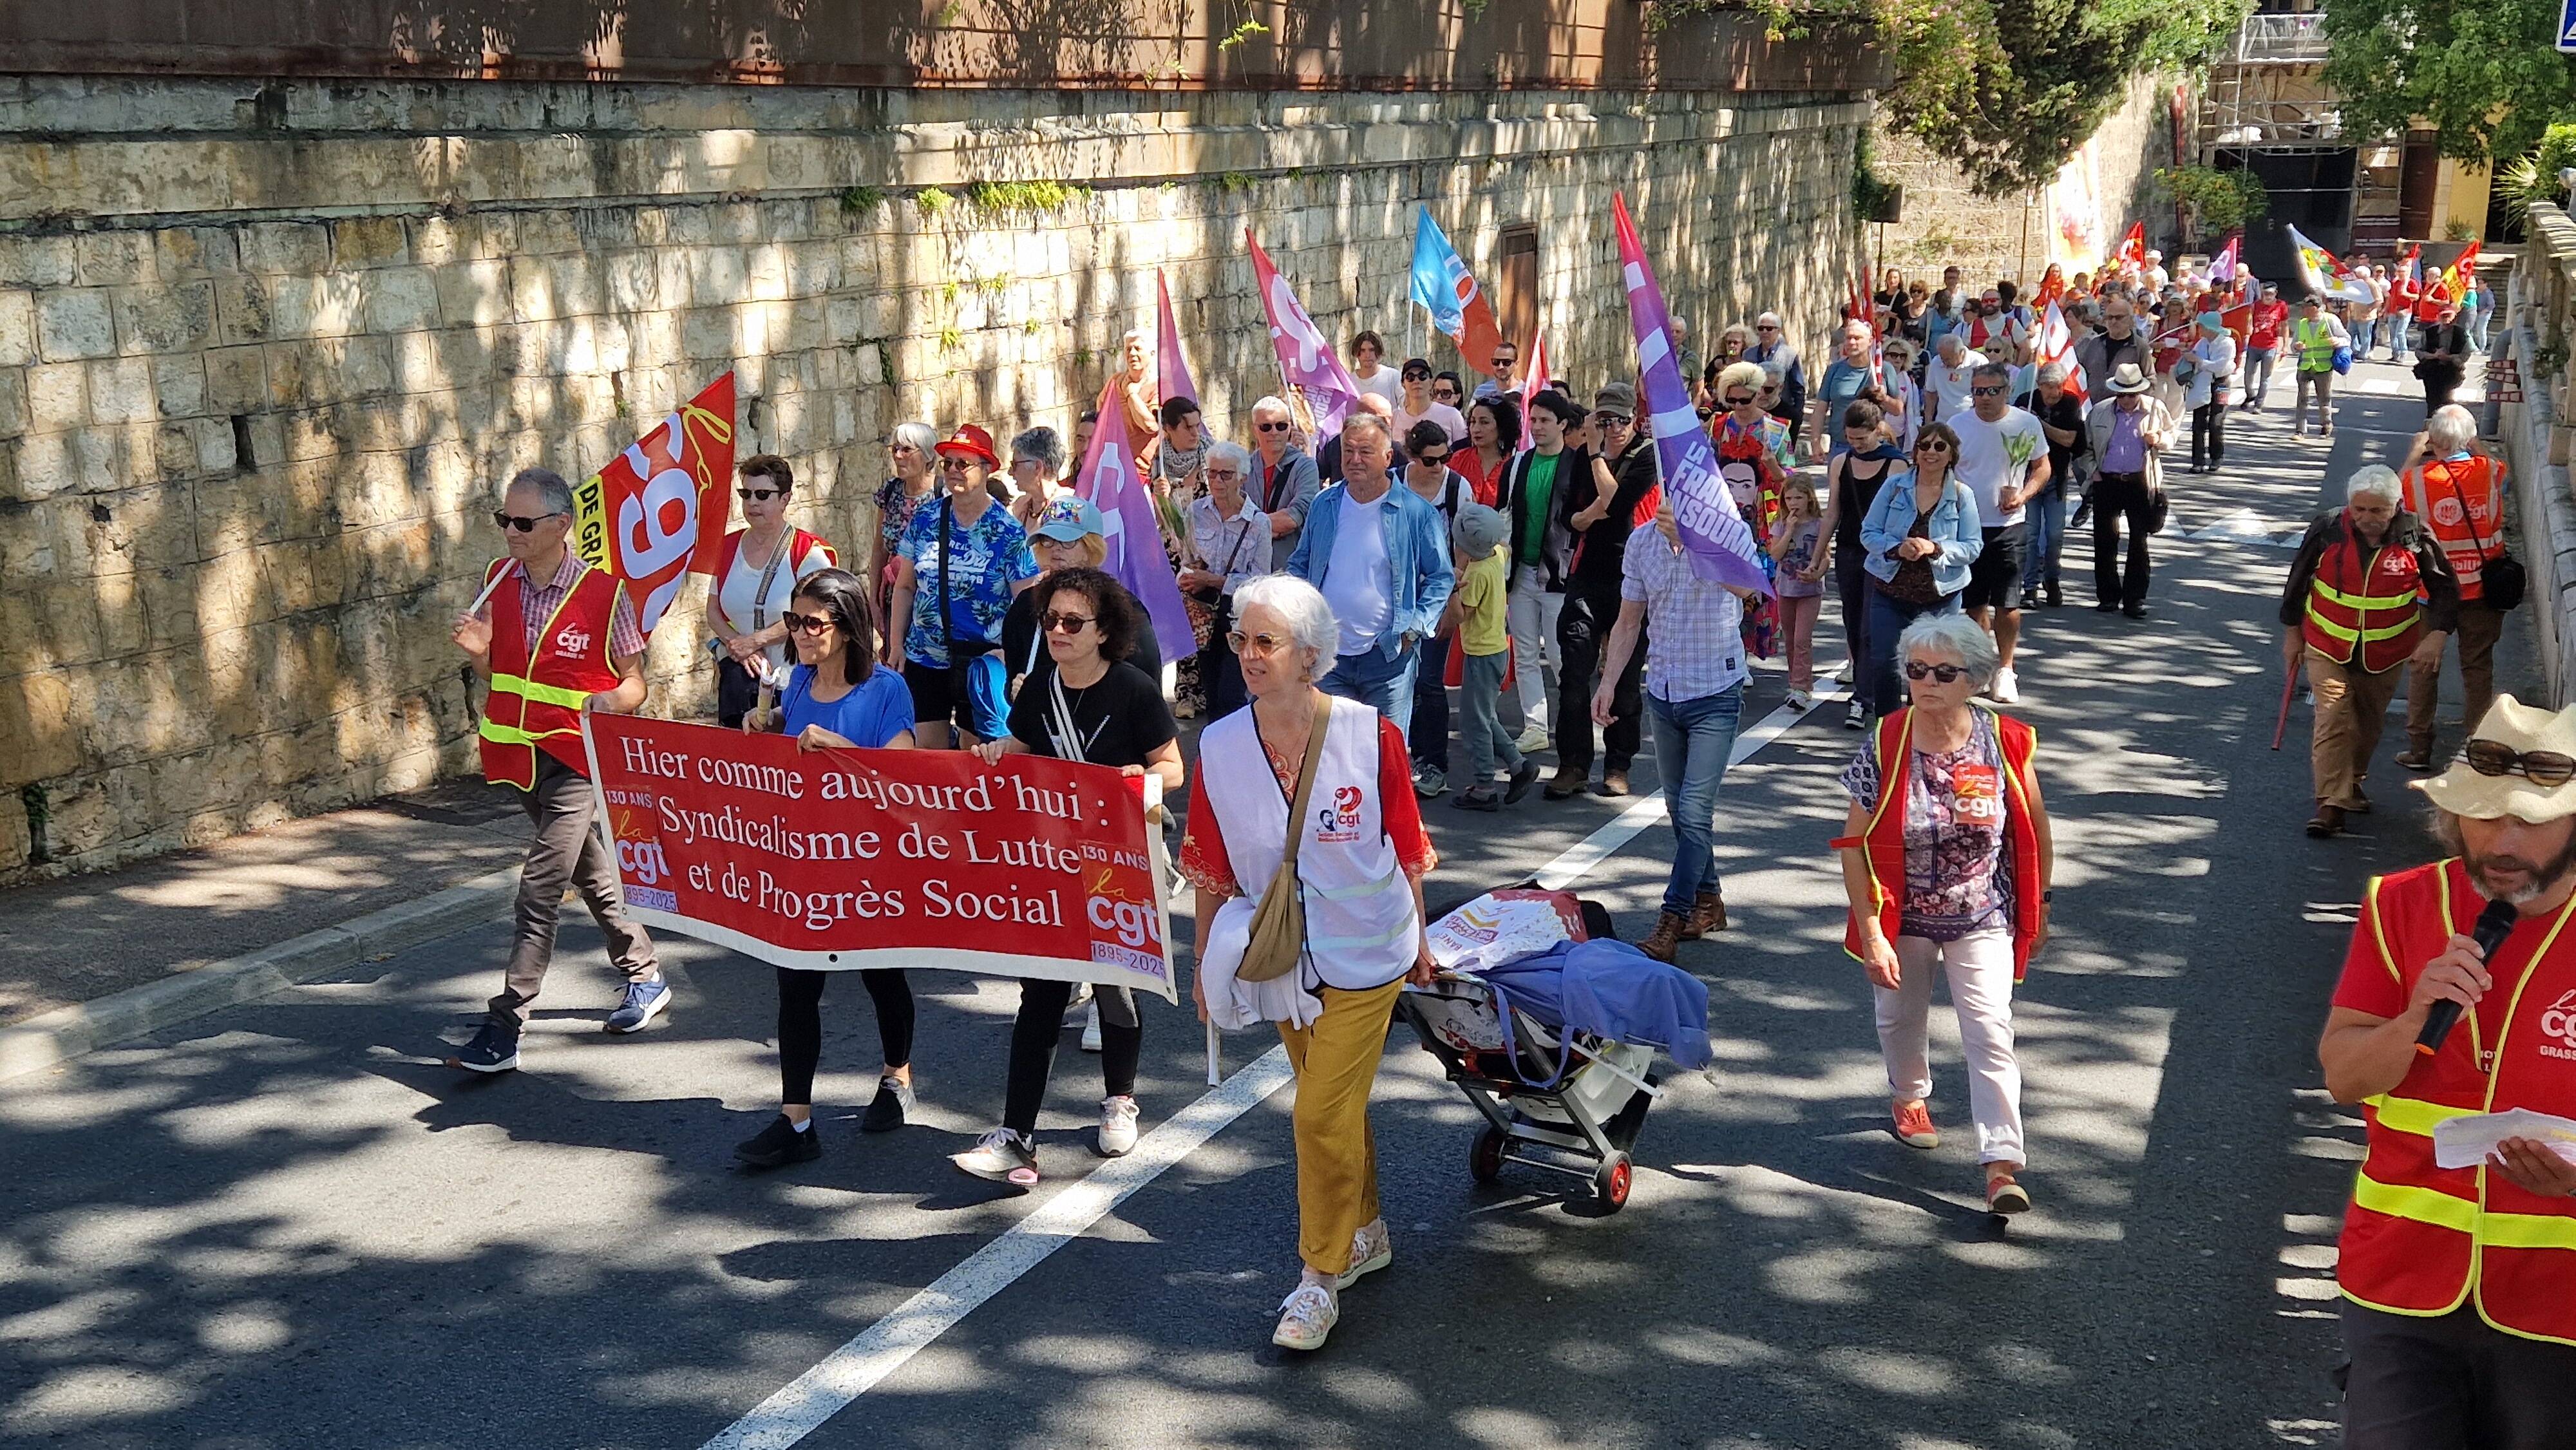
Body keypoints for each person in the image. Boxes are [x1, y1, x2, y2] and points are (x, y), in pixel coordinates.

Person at [1177, 574, 1437, 1352]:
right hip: (1281, 953)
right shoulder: (1219, 744)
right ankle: (1366, 1230)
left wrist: (1420, 939)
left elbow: (1407, 845)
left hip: (1368, 948)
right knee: (1336, 1108)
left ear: (1310, 656)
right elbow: (1210, 865)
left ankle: (1316, 1281)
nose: (1249, 655)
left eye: (1267, 641)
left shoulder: (1368, 733)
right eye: (1241, 640)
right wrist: (1201, 963)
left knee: (1318, 1112)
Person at [2318, 694, 2576, 1448]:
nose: (2500, 839)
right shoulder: (2400, 903)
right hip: (2398, 1280)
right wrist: (2413, 1016)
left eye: (2529, 819)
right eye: (2482, 814)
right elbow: (2343, 1076)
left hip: (2556, 1300)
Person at [953, 567, 1185, 1184]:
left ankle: (1120, 1098)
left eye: (1072, 622)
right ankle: (1017, 1134)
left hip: (1116, 862)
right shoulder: (1040, 689)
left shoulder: (1135, 690)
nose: (1056, 630)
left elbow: (1174, 768)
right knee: (1043, 993)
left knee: (1114, 984)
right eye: (1050, 620)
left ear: (1103, 630)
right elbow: (1031, 746)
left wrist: (1137, 781)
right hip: (1052, 862)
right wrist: (1003, 752)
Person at [443, 467, 663, 1073]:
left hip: (578, 759)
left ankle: (507, 1019)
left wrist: (613, 702)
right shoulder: (497, 582)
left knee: (540, 885)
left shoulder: (605, 593)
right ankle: (644, 973)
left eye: (522, 522)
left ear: (561, 525)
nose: (509, 532)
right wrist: (479, 655)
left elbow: (635, 681)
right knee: (590, 870)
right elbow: (497, 676)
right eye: (503, 521)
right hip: (518, 753)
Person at [1836, 614, 2054, 1216]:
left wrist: (2043, 904)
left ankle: (2002, 1164)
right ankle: (1908, 1096)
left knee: (1990, 1032)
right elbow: (1852, 844)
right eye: (1916, 670)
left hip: (1982, 912)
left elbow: (2034, 829)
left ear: (1976, 679)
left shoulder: (2005, 740)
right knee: (1899, 1019)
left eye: (1944, 672)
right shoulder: (1886, 739)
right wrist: (1874, 932)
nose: (1926, 682)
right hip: (1902, 913)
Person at [732, 568, 923, 1169]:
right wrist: (762, 732)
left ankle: (897, 1076)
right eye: (793, 621)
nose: (799, 633)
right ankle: (796, 1120)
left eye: (811, 622)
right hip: (807, 862)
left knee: (882, 978)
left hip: (869, 864)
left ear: (845, 627)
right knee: (796, 985)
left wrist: (836, 747)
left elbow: (904, 776)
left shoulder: (888, 690)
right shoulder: (796, 686)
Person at [1599, 494, 1755, 959]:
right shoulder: (1641, 542)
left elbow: (1747, 589)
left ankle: (1673, 917)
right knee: (1678, 809)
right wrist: (1607, 683)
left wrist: (1695, 541)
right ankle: (1709, 899)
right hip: (1665, 691)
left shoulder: (1726, 534)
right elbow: (1629, 621)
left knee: (1693, 811)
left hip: (1717, 691)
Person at [2280, 466, 2459, 838]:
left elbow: (2444, 590)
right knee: (2332, 717)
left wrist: (2437, 635)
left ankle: (2352, 781)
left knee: (2368, 722)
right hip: (2327, 643)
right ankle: (2330, 804)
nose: (2366, 519)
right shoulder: (2328, 529)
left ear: (2396, 506)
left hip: (2387, 650)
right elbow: (2297, 581)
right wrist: (2293, 634)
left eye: (2377, 511)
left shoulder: (2416, 537)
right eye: (2359, 510)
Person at [1286, 413, 1456, 734]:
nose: (1354, 460)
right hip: (1329, 655)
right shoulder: (1325, 503)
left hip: (1388, 657)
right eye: (1348, 451)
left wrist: (1415, 628)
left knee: (1384, 755)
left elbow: (1441, 577)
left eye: (1365, 451)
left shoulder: (1415, 512)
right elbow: (1301, 563)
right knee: (1331, 749)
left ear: (1387, 457)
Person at [886, 424, 1040, 748]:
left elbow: (1027, 604)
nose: (953, 471)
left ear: (985, 471)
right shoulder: (926, 518)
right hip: (925, 656)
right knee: (927, 755)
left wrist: (1012, 657)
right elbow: (904, 587)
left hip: (981, 660)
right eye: (948, 463)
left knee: (979, 753)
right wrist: (896, 644)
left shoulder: (1006, 531)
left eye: (963, 464)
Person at [1551, 383, 1660, 799]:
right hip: (1586, 574)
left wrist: (1597, 458)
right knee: (1574, 671)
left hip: (1631, 578)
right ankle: (1573, 764)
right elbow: (1568, 516)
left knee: (1625, 679)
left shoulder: (1646, 454)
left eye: (1620, 420)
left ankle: (1618, 765)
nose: (1613, 428)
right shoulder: (1581, 456)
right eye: (1604, 420)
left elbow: (1618, 505)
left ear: (1634, 419)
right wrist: (1590, 512)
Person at [2397, 408, 2511, 772]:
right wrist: (2470, 442)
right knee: (2477, 668)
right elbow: (2492, 465)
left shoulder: (2419, 479)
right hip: (2483, 589)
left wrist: (2417, 451)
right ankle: (2477, 749)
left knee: (2424, 666)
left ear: (2434, 441)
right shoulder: (2489, 471)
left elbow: (2392, 496)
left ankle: (2419, 748)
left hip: (2434, 590)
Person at [704, 454, 838, 729]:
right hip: (740, 680)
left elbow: (817, 615)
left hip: (795, 681)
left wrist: (755, 641)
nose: (752, 502)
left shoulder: (808, 553)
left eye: (763, 494)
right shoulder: (727, 548)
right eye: (746, 493)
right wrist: (737, 645)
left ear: (785, 499)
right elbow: (713, 610)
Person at [1858, 424, 1983, 717]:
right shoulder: (1894, 487)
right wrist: (1896, 548)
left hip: (1941, 598)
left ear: (1952, 454)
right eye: (1924, 446)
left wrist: (1936, 548)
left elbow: (1973, 547)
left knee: (1933, 670)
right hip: (1890, 592)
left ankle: (1922, 728)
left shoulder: (1963, 495)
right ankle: (1888, 731)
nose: (1931, 452)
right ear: (1915, 451)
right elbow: (1868, 533)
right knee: (1885, 664)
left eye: (1940, 447)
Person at [1946, 362, 2047, 704]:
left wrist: (2023, 495)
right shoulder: (1957, 426)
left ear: (2006, 391)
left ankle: (2006, 668)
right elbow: (1941, 468)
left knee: (2009, 603)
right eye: (1978, 391)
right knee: (1974, 603)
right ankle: (1985, 662)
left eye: (1992, 391)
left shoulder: (2026, 422)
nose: (1984, 398)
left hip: (2009, 526)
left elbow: (2042, 467)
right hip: (1966, 528)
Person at [1001, 494, 1162, 704]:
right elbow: (1015, 676)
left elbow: (1147, 688)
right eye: (1048, 539)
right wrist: (1018, 695)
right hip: (1040, 733)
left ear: (1091, 547)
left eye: (1068, 540)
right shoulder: (1026, 606)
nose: (1056, 548)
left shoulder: (1121, 608)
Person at [1496, 390, 1587, 753]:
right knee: (1526, 654)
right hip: (1520, 572)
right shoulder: (1518, 463)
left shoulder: (1577, 464)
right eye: (1533, 420)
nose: (1537, 427)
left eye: (1545, 420)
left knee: (1562, 655)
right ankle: (1535, 726)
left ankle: (1570, 720)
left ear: (1563, 425)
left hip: (1559, 574)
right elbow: (1505, 511)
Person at [1817, 400, 1907, 730]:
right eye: (1852, 439)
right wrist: (1818, 555)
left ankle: (1863, 698)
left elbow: (1899, 516)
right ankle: (1863, 685)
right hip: (1850, 551)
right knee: (1853, 623)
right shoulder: (1842, 461)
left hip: (1881, 554)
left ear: (1877, 430)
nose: (1857, 445)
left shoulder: (1896, 465)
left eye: (1863, 439)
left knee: (1872, 628)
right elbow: (1833, 512)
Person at [1445, 503, 1540, 811]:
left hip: (1481, 655)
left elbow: (1462, 616)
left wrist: (1453, 590)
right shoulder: (1496, 557)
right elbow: (1505, 547)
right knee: (1485, 715)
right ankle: (1518, 764)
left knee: (1474, 722)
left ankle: (1485, 784)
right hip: (1496, 649)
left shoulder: (1475, 574)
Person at [1401, 419, 1475, 795]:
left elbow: (1463, 543)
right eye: (1431, 461)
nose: (1440, 466)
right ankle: (1404, 757)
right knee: (1400, 680)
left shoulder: (1458, 487)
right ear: (1413, 457)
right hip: (1398, 595)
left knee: (1430, 680)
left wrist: (1452, 596)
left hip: (1436, 594)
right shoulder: (1396, 482)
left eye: (1445, 457)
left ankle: (1435, 764)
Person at [1182, 440, 1273, 721]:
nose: (1217, 481)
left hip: (1240, 616)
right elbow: (1186, 560)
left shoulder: (1258, 522)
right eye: (1212, 473)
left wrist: (1215, 580)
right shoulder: (1195, 512)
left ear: (1242, 478)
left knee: (1232, 695)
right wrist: (1191, 577)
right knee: (1210, 692)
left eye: (1226, 475)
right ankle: (1214, 756)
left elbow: (1261, 581)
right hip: (1205, 615)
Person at [2021, 363, 2084, 610]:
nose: (2055, 392)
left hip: (2056, 478)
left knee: (2055, 535)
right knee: (2032, 535)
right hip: (2029, 478)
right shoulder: (2026, 401)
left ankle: (2052, 579)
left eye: (2059, 386)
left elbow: (2070, 439)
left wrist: (2038, 425)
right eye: (2049, 387)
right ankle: (2030, 587)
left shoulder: (2070, 403)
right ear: (2039, 386)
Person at [871, 422, 940, 630]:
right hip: (895, 599)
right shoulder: (890, 491)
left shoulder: (942, 494)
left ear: (928, 455)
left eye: (907, 449)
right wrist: (874, 600)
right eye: (895, 449)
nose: (898, 456)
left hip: (932, 601)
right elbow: (879, 548)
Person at [1769, 475, 1827, 710]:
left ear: (1809, 498)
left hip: (1809, 590)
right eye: (1789, 498)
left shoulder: (1818, 524)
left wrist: (1817, 571)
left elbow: (1825, 557)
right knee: (1791, 640)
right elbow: (1776, 554)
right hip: (1786, 588)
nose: (1794, 503)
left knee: (1803, 638)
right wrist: (1789, 530)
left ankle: (1801, 687)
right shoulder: (1781, 524)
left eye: (1799, 498)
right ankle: (1795, 683)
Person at [1249, 395, 1323, 572]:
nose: (1274, 432)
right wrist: (1272, 527)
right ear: (1255, 430)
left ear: (1289, 427)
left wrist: (1250, 526)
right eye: (1266, 427)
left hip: (1290, 568)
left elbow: (1295, 516)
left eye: (1281, 426)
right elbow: (1230, 515)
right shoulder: (1244, 467)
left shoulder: (1305, 466)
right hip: (1250, 569)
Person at [1810, 319, 1879, 459]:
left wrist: (1885, 398)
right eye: (1849, 338)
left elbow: (1897, 409)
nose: (1852, 342)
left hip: (1874, 446)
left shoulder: (1881, 371)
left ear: (1870, 341)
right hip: (1840, 446)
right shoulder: (1834, 370)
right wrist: (1816, 442)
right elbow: (1820, 409)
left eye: (1857, 338)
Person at [2179, 312, 2237, 475]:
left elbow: (2220, 366)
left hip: (2222, 383)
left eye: (2202, 326)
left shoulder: (2227, 343)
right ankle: (2197, 461)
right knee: (2198, 422)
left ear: (2210, 328)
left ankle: (2216, 457)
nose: (2200, 329)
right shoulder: (2202, 343)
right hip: (2202, 382)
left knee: (2216, 422)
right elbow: (2197, 358)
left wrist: (2199, 361)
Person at [2293, 295, 2351, 440]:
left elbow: (2346, 339)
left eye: (2306, 307)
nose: (2303, 310)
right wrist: (2297, 346)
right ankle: (2300, 430)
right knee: (2302, 399)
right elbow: (2293, 345)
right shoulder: (2303, 323)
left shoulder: (2330, 320)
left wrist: (2337, 341)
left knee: (2324, 398)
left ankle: (2326, 426)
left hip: (2323, 366)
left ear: (2316, 308)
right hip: (2305, 365)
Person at [2073, 295, 2148, 401]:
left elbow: (2150, 380)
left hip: (2124, 410)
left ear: (2131, 320)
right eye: (2110, 317)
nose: (2113, 322)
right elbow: (2080, 372)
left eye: (2119, 318)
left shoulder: (2140, 347)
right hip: (2093, 407)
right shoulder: (2094, 343)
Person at [1748, 311, 1806, 444]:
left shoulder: (1789, 355)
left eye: (1769, 328)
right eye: (1761, 328)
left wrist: (1797, 414)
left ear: (1778, 331)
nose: (1765, 332)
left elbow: (1798, 388)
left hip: (1780, 411)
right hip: (1753, 411)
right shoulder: (1748, 354)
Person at [1452, 395, 1519, 507]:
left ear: (1502, 427)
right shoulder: (1457, 460)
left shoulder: (1514, 466)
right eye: (1473, 422)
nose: (1476, 429)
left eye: (1484, 422)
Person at [1393, 357, 1468, 447]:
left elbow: (1464, 454)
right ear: (1403, 384)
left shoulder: (1452, 415)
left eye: (1422, 376)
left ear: (1431, 382)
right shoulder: (1395, 417)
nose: (1416, 381)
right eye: (1410, 377)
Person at [1005, 426, 1067, 530]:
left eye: (1015, 465)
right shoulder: (1019, 507)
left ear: (1037, 467)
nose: (1010, 472)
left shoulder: (1068, 507)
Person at [2414, 302, 2472, 413]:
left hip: (2451, 371)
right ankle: (2431, 423)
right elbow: (2419, 351)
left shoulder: (2461, 334)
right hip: (2431, 371)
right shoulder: (2430, 332)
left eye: (2449, 316)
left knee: (2446, 401)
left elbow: (2465, 355)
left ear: (2454, 316)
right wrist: (2433, 356)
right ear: (2438, 317)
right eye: (2443, 316)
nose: (2446, 319)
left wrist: (2449, 358)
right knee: (2431, 401)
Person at [2240, 283, 2288, 412]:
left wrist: (2285, 346)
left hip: (2270, 346)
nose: (2267, 297)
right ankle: (2250, 394)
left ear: (2276, 294)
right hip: (2254, 344)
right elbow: (2249, 321)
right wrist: (2247, 334)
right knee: (2248, 374)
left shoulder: (2281, 306)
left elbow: (2285, 325)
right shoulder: (2256, 305)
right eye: (2265, 294)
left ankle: (2259, 404)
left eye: (2270, 294)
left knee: (2265, 377)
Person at [1926, 334, 1984, 425]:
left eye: (1948, 359)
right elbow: (1930, 393)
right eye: (1942, 359)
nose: (1944, 363)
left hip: (1970, 422)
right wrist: (1928, 421)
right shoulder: (1936, 363)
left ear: (1961, 353)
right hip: (1943, 422)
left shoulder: (1979, 362)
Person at [1349, 329, 1401, 410]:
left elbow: (1406, 405)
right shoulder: (1350, 381)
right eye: (1363, 351)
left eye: (1371, 350)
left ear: (1378, 352)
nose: (1367, 355)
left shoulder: (1393, 376)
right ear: (1357, 353)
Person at [1473, 337, 1522, 404]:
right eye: (1496, 362)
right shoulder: (1481, 392)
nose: (1500, 367)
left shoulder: (1526, 393)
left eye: (1506, 362)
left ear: (1517, 364)